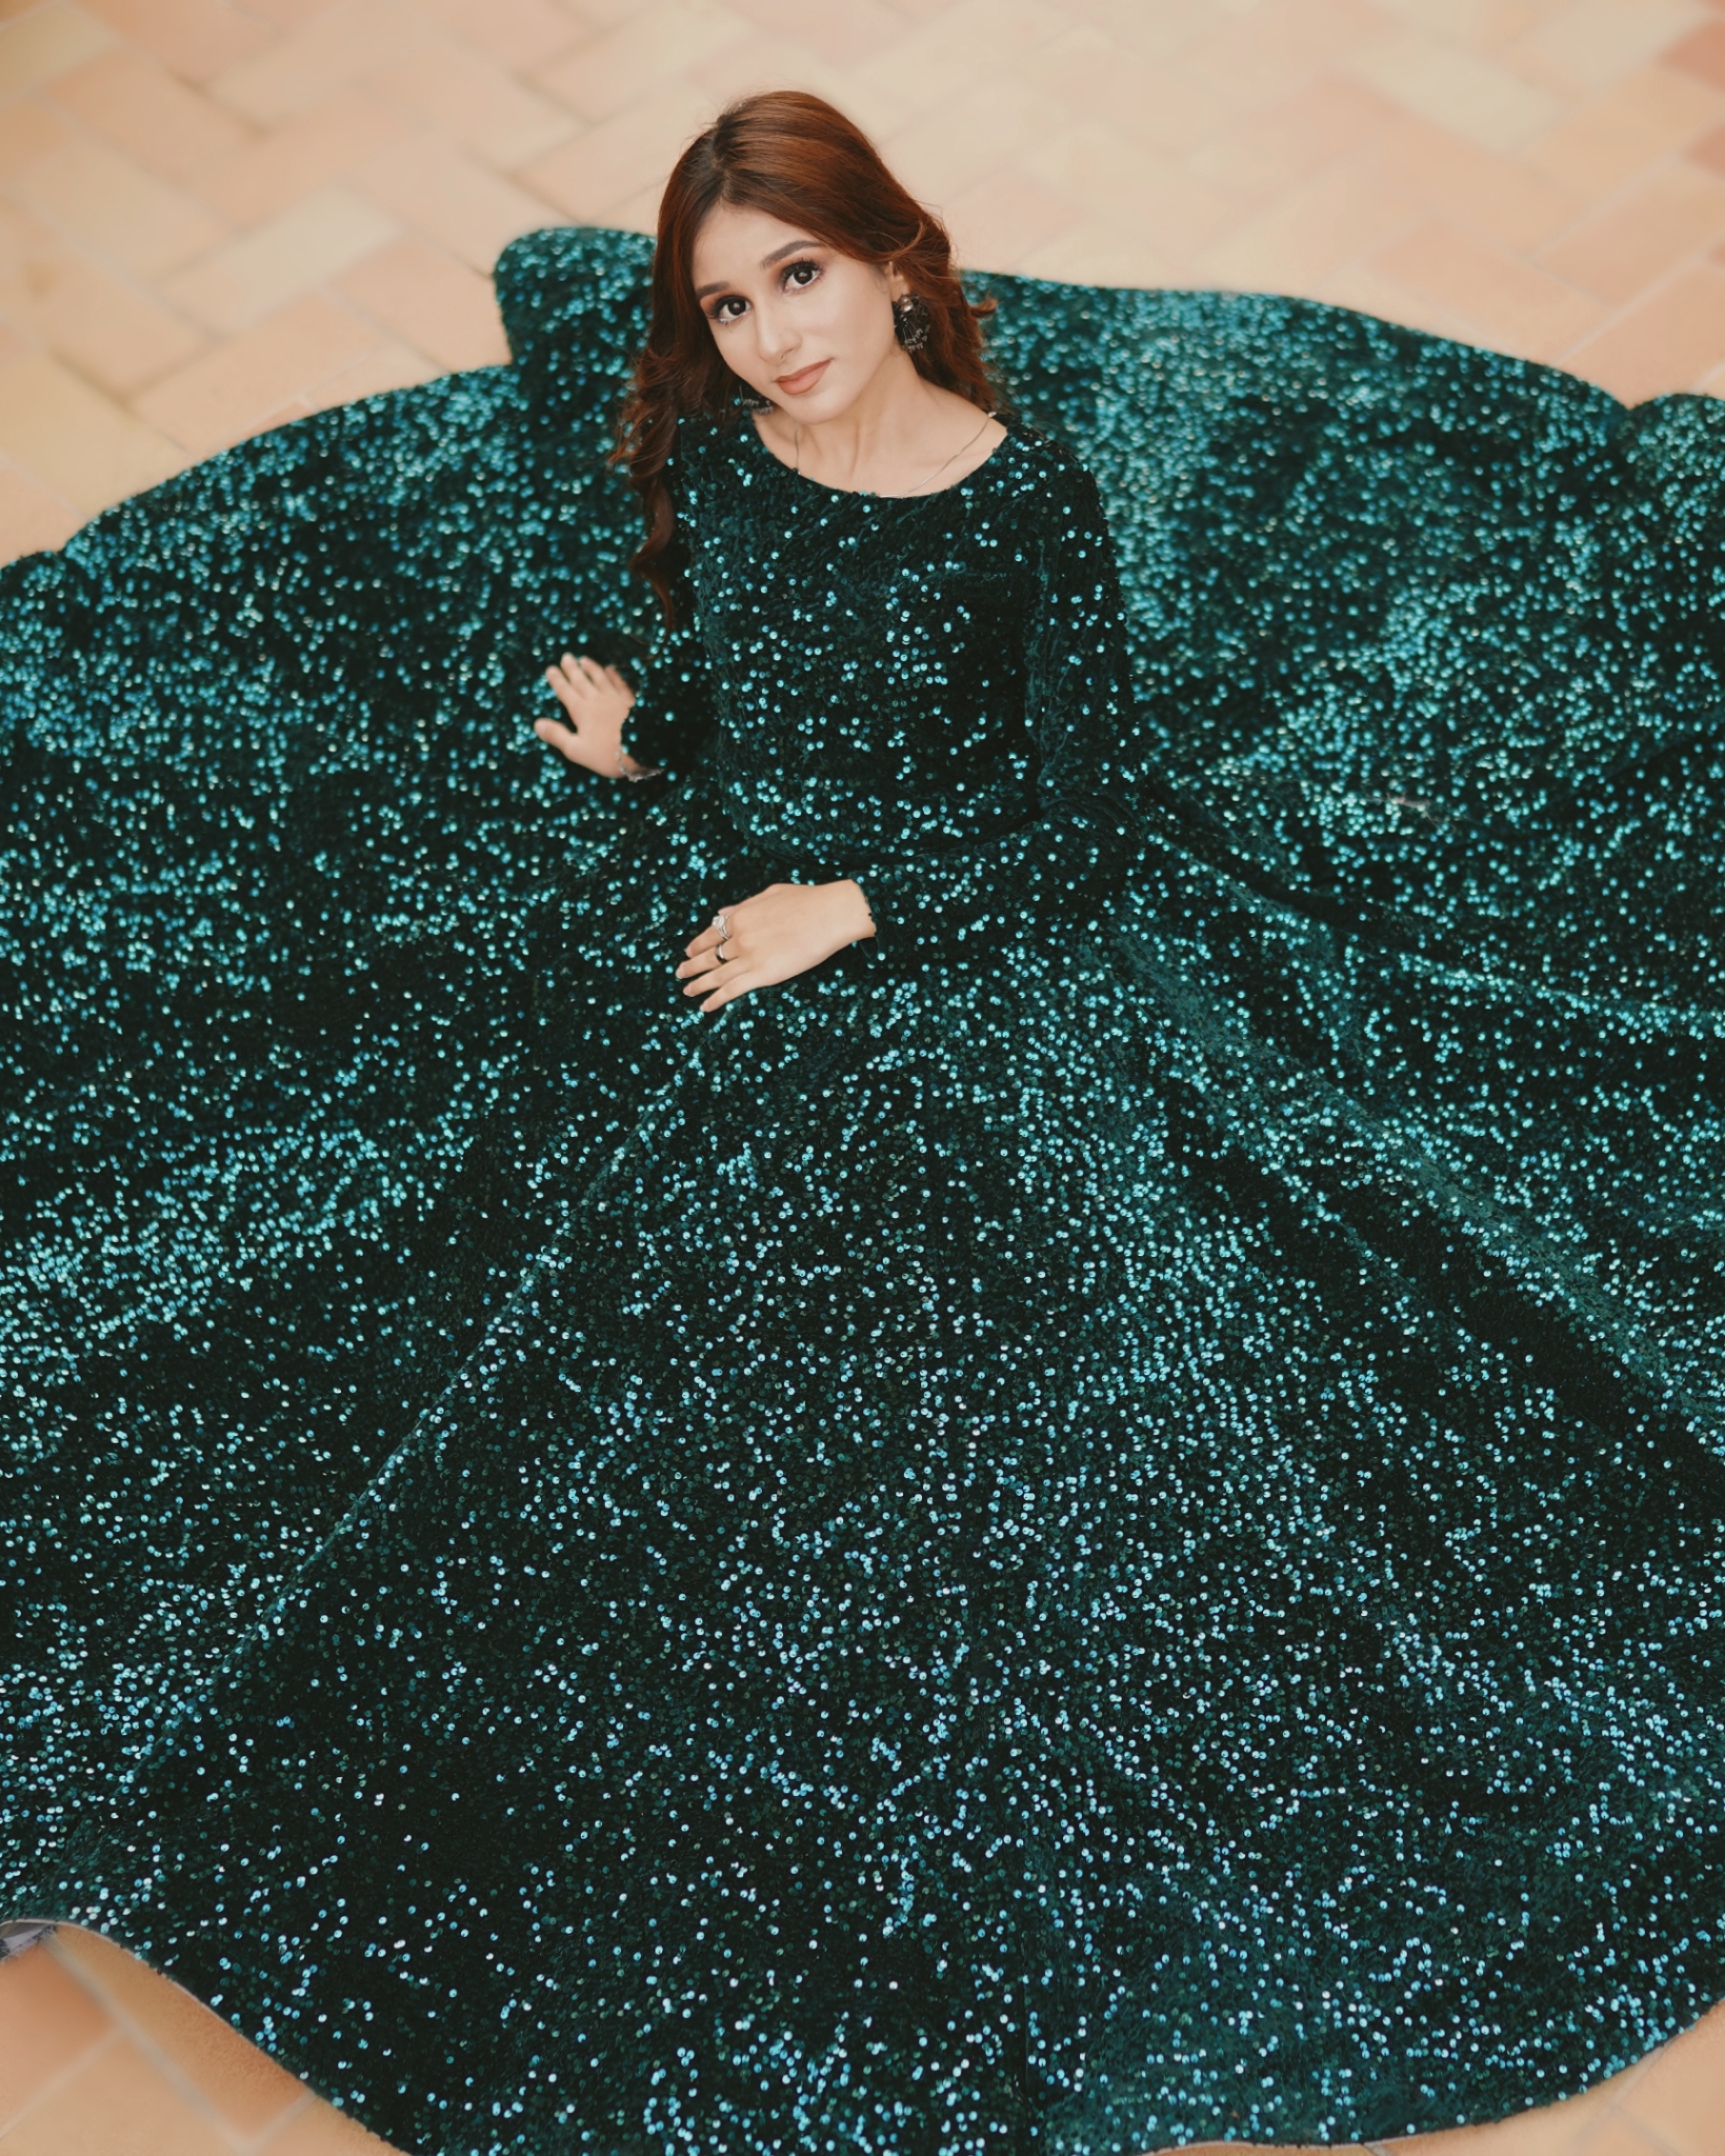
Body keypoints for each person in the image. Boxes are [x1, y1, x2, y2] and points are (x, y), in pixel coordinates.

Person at [4, 86, 1725, 2156]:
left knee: (984, 1360)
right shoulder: (731, 456)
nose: (772, 337)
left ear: (900, 261)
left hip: (950, 930)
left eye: (800, 277)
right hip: (730, 888)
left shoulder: (1023, 499)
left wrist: (860, 905)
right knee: (463, 1259)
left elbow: (1082, 820)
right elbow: (758, 676)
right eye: (728, 306)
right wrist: (659, 744)